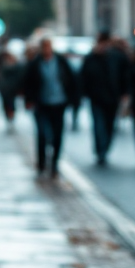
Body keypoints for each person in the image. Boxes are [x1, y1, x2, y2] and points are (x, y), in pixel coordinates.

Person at [23, 37, 80, 178]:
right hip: (42, 104)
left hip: (59, 104)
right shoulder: (35, 63)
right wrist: (29, 100)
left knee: (57, 135)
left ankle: (54, 163)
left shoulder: (61, 62)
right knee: (42, 134)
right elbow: (28, 82)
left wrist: (73, 99)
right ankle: (41, 164)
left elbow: (72, 80)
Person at [79, 31, 130, 166]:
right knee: (98, 124)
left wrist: (124, 93)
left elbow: (125, 75)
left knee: (109, 124)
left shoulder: (116, 56)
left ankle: (105, 147)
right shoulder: (91, 57)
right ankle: (100, 149)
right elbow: (84, 76)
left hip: (112, 97)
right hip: (96, 97)